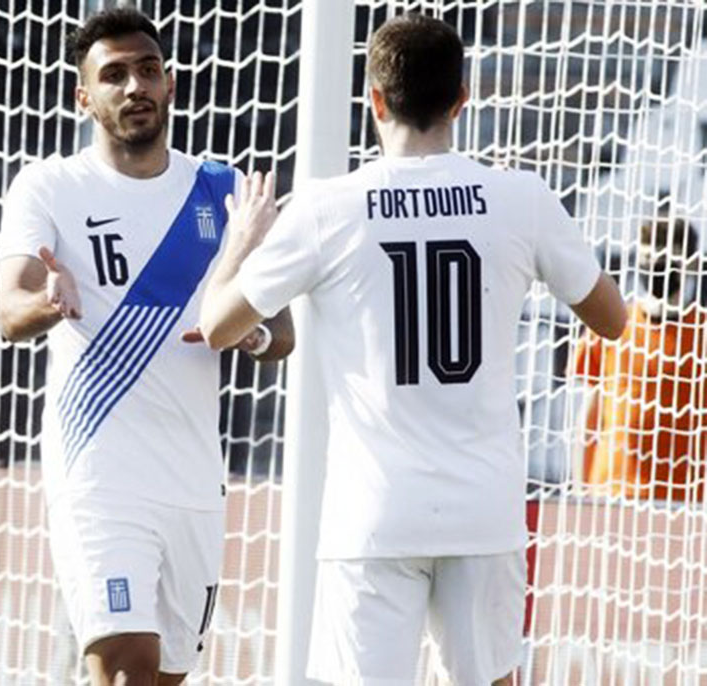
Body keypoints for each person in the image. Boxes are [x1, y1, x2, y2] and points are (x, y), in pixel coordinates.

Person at [198, 13, 627, 686]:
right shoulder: (520, 197)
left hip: (373, 514)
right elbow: (613, 319)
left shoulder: (327, 207)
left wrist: (241, 242)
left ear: (374, 99)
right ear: (462, 98)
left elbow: (218, 326)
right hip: (484, 508)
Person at [0, 8, 293, 685]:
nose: (135, 86)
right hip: (98, 472)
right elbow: (10, 311)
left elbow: (283, 334)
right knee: (126, 665)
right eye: (115, 75)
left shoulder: (224, 190)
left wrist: (245, 330)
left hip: (193, 479)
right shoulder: (49, 186)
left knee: (165, 676)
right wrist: (48, 301)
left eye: (148, 70)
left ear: (170, 85)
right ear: (84, 97)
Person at [573, 215, 707, 501]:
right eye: (648, 256)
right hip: (612, 496)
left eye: (667, 257)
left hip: (684, 503)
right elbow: (589, 417)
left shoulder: (702, 332)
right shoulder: (612, 323)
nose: (656, 265)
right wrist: (579, 491)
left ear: (692, 264)